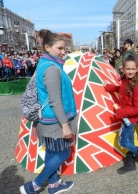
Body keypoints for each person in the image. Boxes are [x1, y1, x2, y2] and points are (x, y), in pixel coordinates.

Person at [19, 29, 77, 194]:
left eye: (64, 48)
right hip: (55, 121)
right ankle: (34, 185)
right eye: (59, 48)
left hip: (48, 119)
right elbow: (55, 99)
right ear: (47, 47)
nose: (63, 51)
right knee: (63, 152)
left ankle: (54, 186)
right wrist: (65, 126)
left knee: (52, 152)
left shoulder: (46, 63)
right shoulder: (52, 69)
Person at [104, 55, 138, 174]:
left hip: (130, 119)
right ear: (123, 69)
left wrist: (120, 112)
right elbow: (120, 89)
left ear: (137, 69)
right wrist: (108, 86)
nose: (130, 71)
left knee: (123, 142)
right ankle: (130, 163)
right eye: (128, 69)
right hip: (125, 118)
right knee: (129, 140)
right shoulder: (125, 80)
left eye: (133, 69)